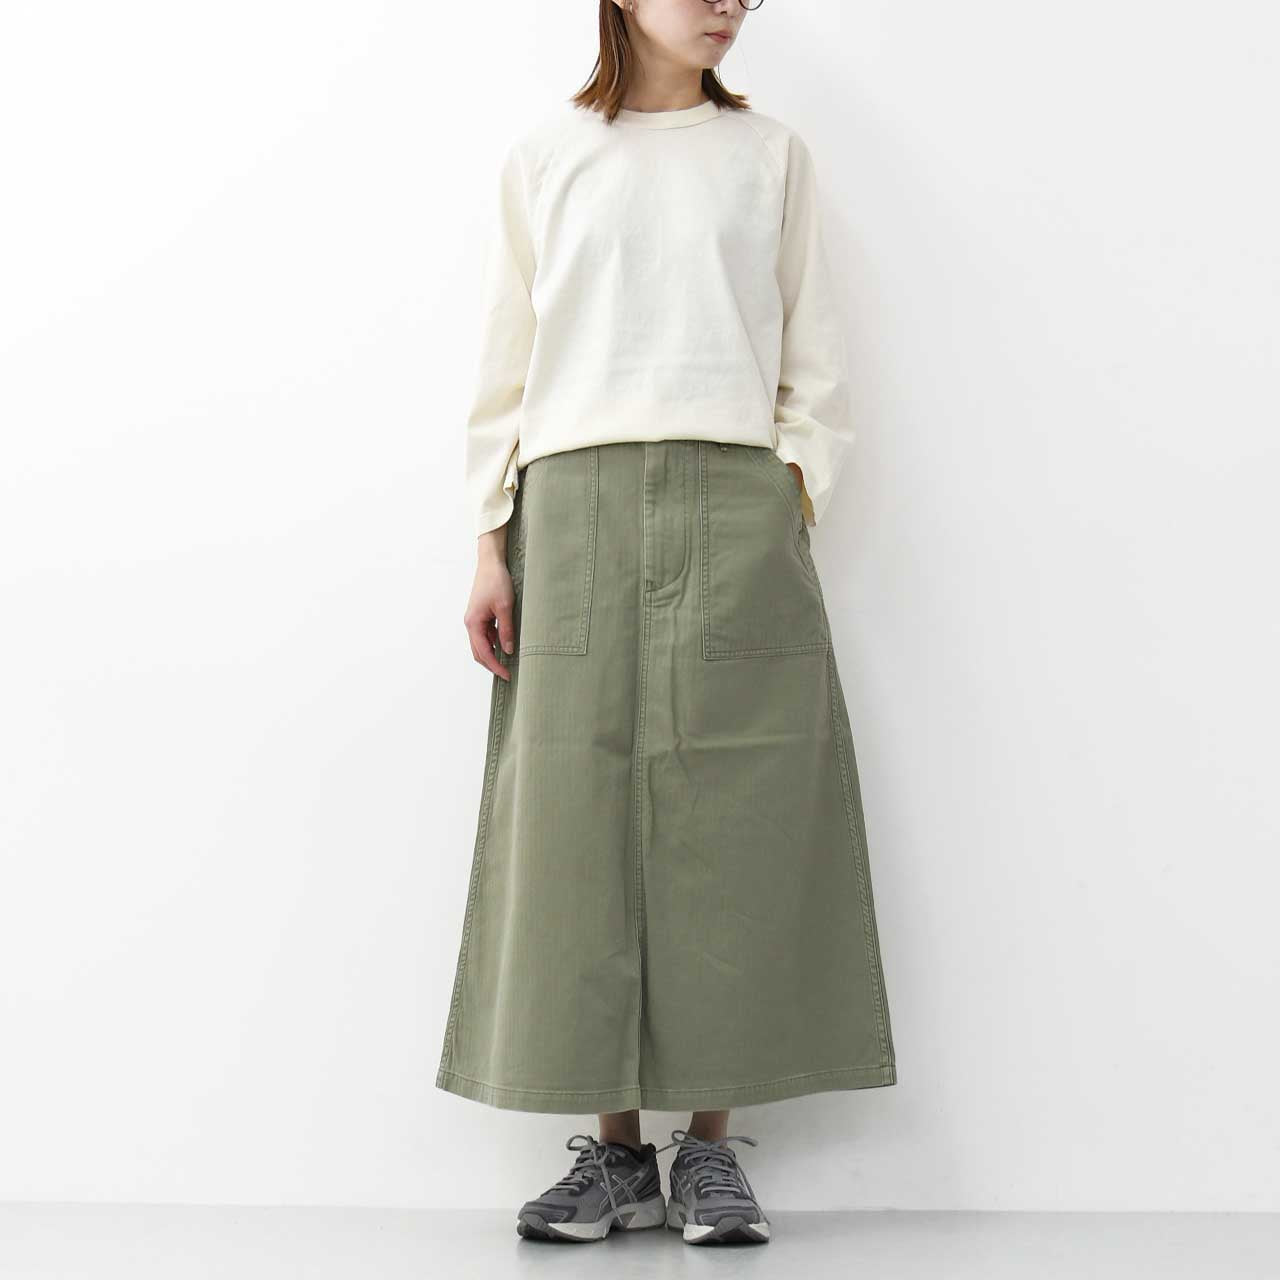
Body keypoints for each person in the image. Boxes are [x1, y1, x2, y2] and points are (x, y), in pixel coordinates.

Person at [438, 0, 897, 1246]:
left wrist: (789, 489)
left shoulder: (769, 156)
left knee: (729, 814)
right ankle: (616, 1154)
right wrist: (488, 538)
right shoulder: (547, 157)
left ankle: (705, 1149)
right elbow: (503, 364)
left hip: (732, 493)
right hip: (569, 507)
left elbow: (814, 354)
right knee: (573, 816)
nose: (727, 4)